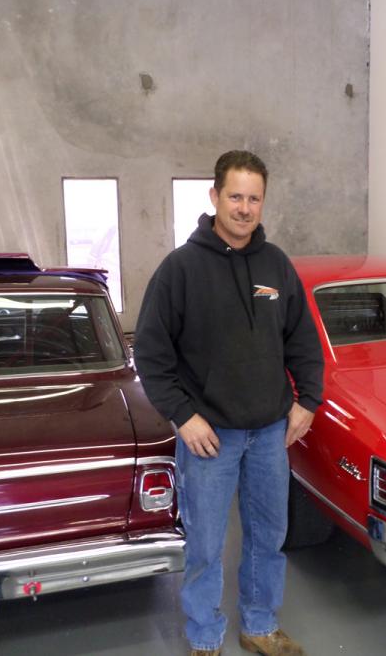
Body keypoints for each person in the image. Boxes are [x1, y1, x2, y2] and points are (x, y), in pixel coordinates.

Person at [134, 150, 324, 656]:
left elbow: (304, 340)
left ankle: (259, 625)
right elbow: (151, 355)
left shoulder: (276, 265)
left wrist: (308, 400)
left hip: (269, 434)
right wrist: (183, 416)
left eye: (254, 198)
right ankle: (204, 636)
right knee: (205, 546)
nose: (244, 208)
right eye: (235, 196)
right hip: (209, 437)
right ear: (214, 196)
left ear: (263, 202)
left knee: (268, 537)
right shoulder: (180, 269)